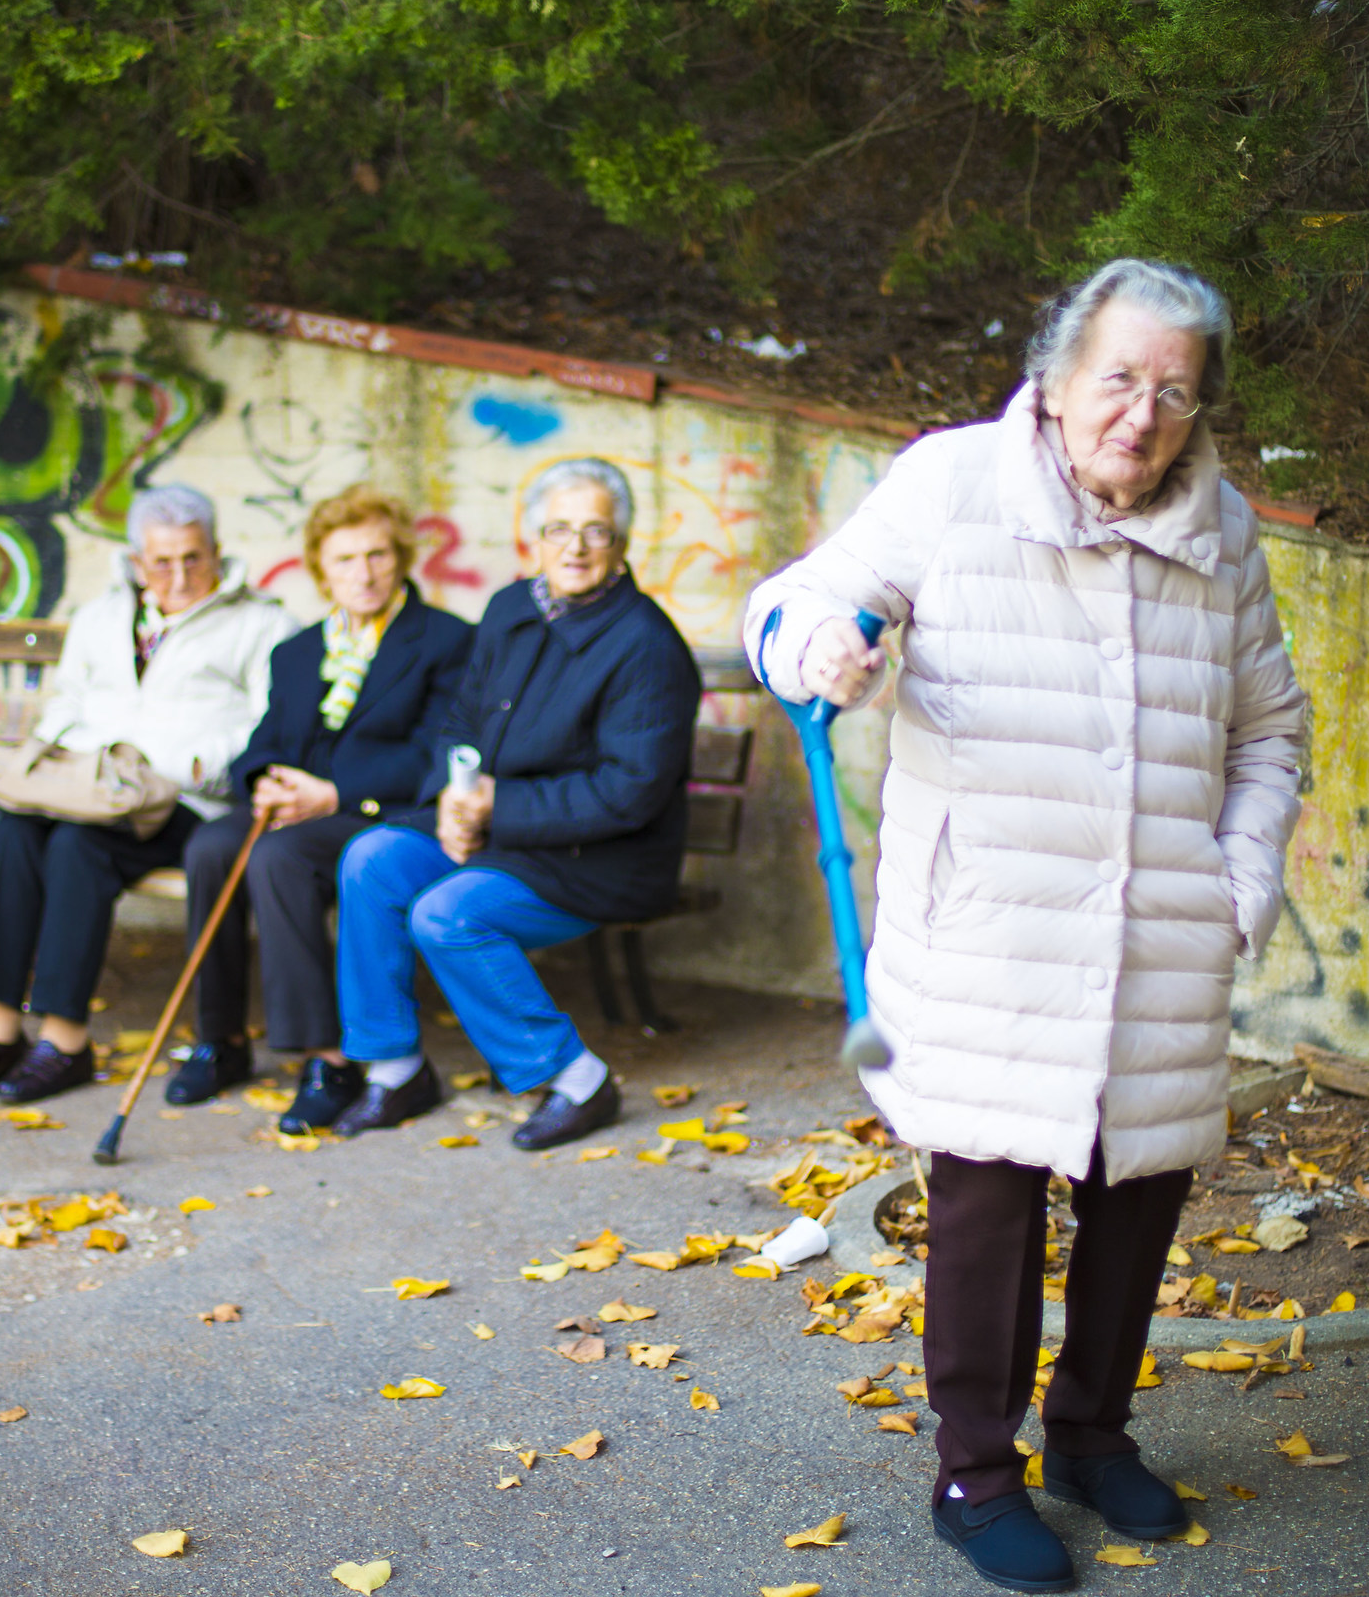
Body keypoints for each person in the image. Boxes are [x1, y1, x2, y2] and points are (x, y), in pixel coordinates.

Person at [744, 258, 1310, 1593]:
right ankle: (975, 1471)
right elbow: (793, 604)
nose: (1143, 411)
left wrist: (1239, 887)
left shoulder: (1222, 528)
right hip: (987, 930)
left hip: (1160, 933)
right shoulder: (953, 482)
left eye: (1174, 389)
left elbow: (1270, 730)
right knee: (988, 1208)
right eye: (1119, 377)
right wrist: (820, 647)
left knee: (1137, 1204)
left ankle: (1093, 1437)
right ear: (1059, 380)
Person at [287, 457, 701, 1147]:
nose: (575, 547)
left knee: (447, 914)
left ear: (622, 544)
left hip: (599, 859)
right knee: (372, 857)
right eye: (559, 529)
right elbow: (462, 722)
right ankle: (394, 1069)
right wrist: (456, 793)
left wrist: (492, 808)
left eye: (595, 531)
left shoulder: (645, 646)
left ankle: (576, 1080)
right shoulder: (512, 608)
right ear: (533, 539)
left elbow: (628, 793)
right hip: (500, 832)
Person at [0, 485, 297, 1105]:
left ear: (217, 551)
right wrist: (59, 759)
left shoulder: (261, 622)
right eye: (162, 561)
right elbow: (71, 697)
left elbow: (269, 723)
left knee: (80, 844)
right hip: (91, 784)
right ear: (136, 561)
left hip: (182, 801)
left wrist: (186, 764)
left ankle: (65, 1042)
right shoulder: (100, 616)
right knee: (15, 829)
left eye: (193, 558)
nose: (179, 576)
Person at [166, 485, 474, 1104]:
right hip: (301, 809)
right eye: (345, 560)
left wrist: (333, 793)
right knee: (210, 846)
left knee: (278, 857)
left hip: (384, 816)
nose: (364, 574)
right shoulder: (298, 652)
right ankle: (219, 1040)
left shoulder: (444, 641)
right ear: (320, 570)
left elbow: (430, 756)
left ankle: (328, 1059)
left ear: (401, 557)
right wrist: (264, 781)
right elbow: (262, 742)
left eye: (378, 555)